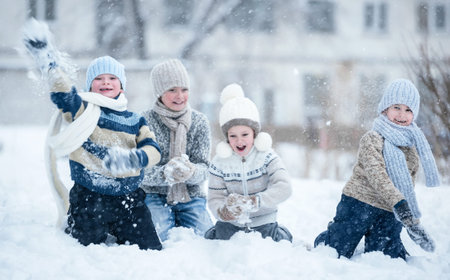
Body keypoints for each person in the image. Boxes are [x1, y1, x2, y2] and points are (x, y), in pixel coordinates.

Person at [314, 79, 440, 260]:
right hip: (359, 204)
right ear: (385, 108)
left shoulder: (412, 148)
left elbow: (407, 187)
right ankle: (329, 237)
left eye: (408, 110)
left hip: (389, 210)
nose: (401, 114)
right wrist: (399, 204)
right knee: (337, 250)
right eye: (396, 107)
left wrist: (411, 221)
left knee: (387, 257)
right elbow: (377, 175)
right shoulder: (372, 139)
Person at [49, 56, 163, 250]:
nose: (105, 82)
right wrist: (51, 67)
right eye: (99, 78)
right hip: (89, 197)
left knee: (149, 249)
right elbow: (66, 93)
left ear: (121, 86)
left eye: (112, 78)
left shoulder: (135, 120)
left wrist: (134, 158)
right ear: (90, 86)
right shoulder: (83, 112)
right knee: (82, 249)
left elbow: (154, 151)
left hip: (129, 198)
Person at [205, 83, 293, 242]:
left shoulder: (266, 157)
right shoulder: (219, 163)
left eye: (245, 134)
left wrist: (255, 201)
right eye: (233, 136)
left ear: (255, 133)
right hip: (231, 224)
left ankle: (283, 234)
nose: (239, 141)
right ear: (226, 137)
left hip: (264, 220)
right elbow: (214, 197)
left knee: (273, 240)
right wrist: (224, 211)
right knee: (218, 238)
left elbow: (284, 187)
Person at [140, 59, 213, 241]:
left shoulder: (199, 122)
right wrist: (166, 174)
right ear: (159, 93)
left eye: (184, 89)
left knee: (207, 238)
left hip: (191, 195)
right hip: (154, 194)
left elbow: (205, 168)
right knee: (158, 238)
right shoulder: (144, 121)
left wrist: (190, 172)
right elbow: (139, 171)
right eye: (172, 90)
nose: (179, 96)